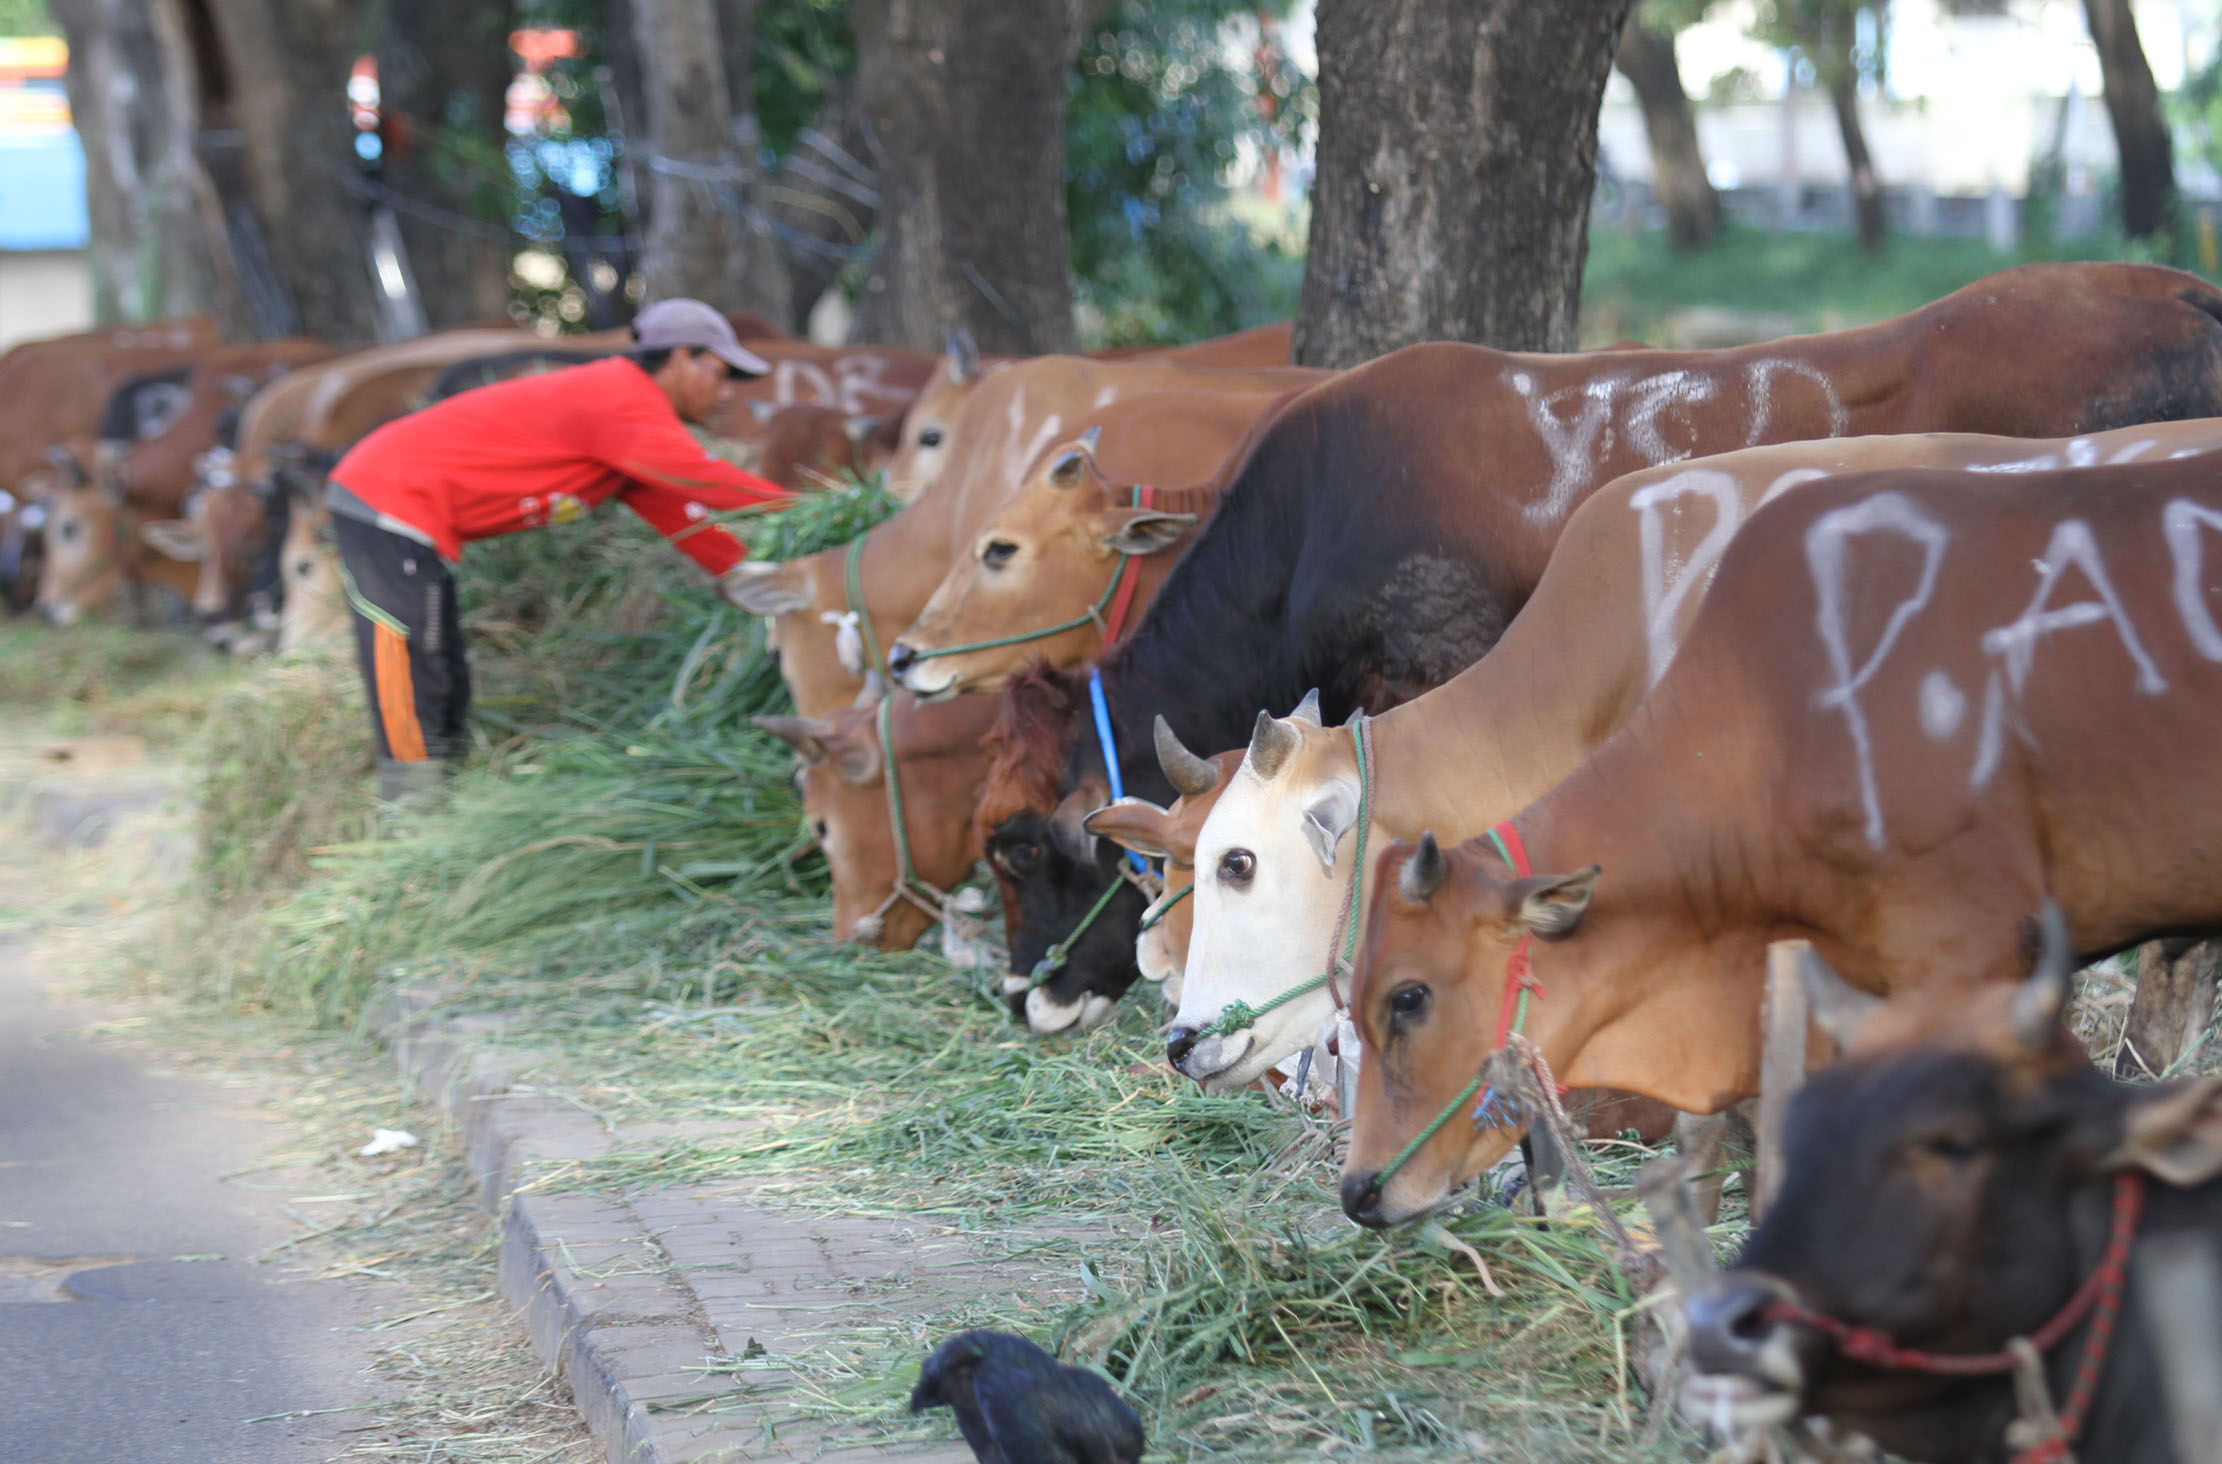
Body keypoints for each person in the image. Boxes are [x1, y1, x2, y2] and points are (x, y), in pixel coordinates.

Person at [325, 299, 794, 805]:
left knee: (444, 664)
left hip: (411, 511)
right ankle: (409, 816)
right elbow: (705, 480)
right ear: (681, 359)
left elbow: (682, 516)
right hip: (385, 498)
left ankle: (443, 797)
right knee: (412, 655)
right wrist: (821, 507)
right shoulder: (622, 402)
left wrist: (760, 578)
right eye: (721, 374)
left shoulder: (628, 424)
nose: (726, 395)